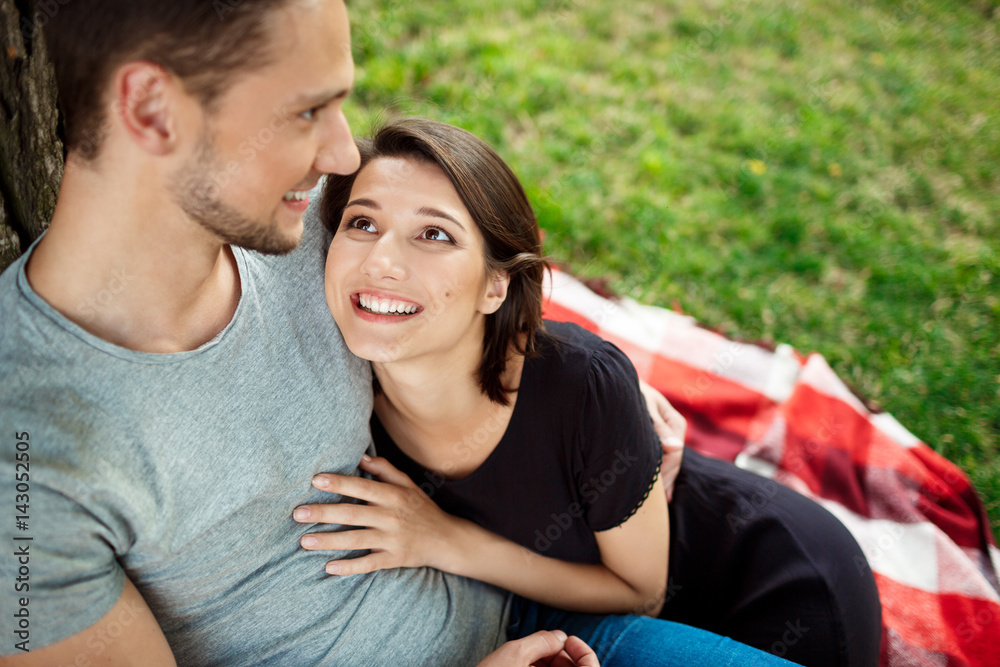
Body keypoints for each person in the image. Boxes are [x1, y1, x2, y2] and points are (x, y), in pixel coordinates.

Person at [0, 1, 792, 665]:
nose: (342, 151)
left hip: (543, 615)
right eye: (307, 111)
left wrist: (589, 386)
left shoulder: (302, 221)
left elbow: (457, 273)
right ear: (151, 109)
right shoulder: (25, 459)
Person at [305, 117, 883, 666]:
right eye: (363, 223)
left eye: (434, 234)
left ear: (494, 286)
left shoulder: (582, 386)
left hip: (768, 583)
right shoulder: (341, 383)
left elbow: (641, 592)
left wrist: (444, 540)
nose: (381, 261)